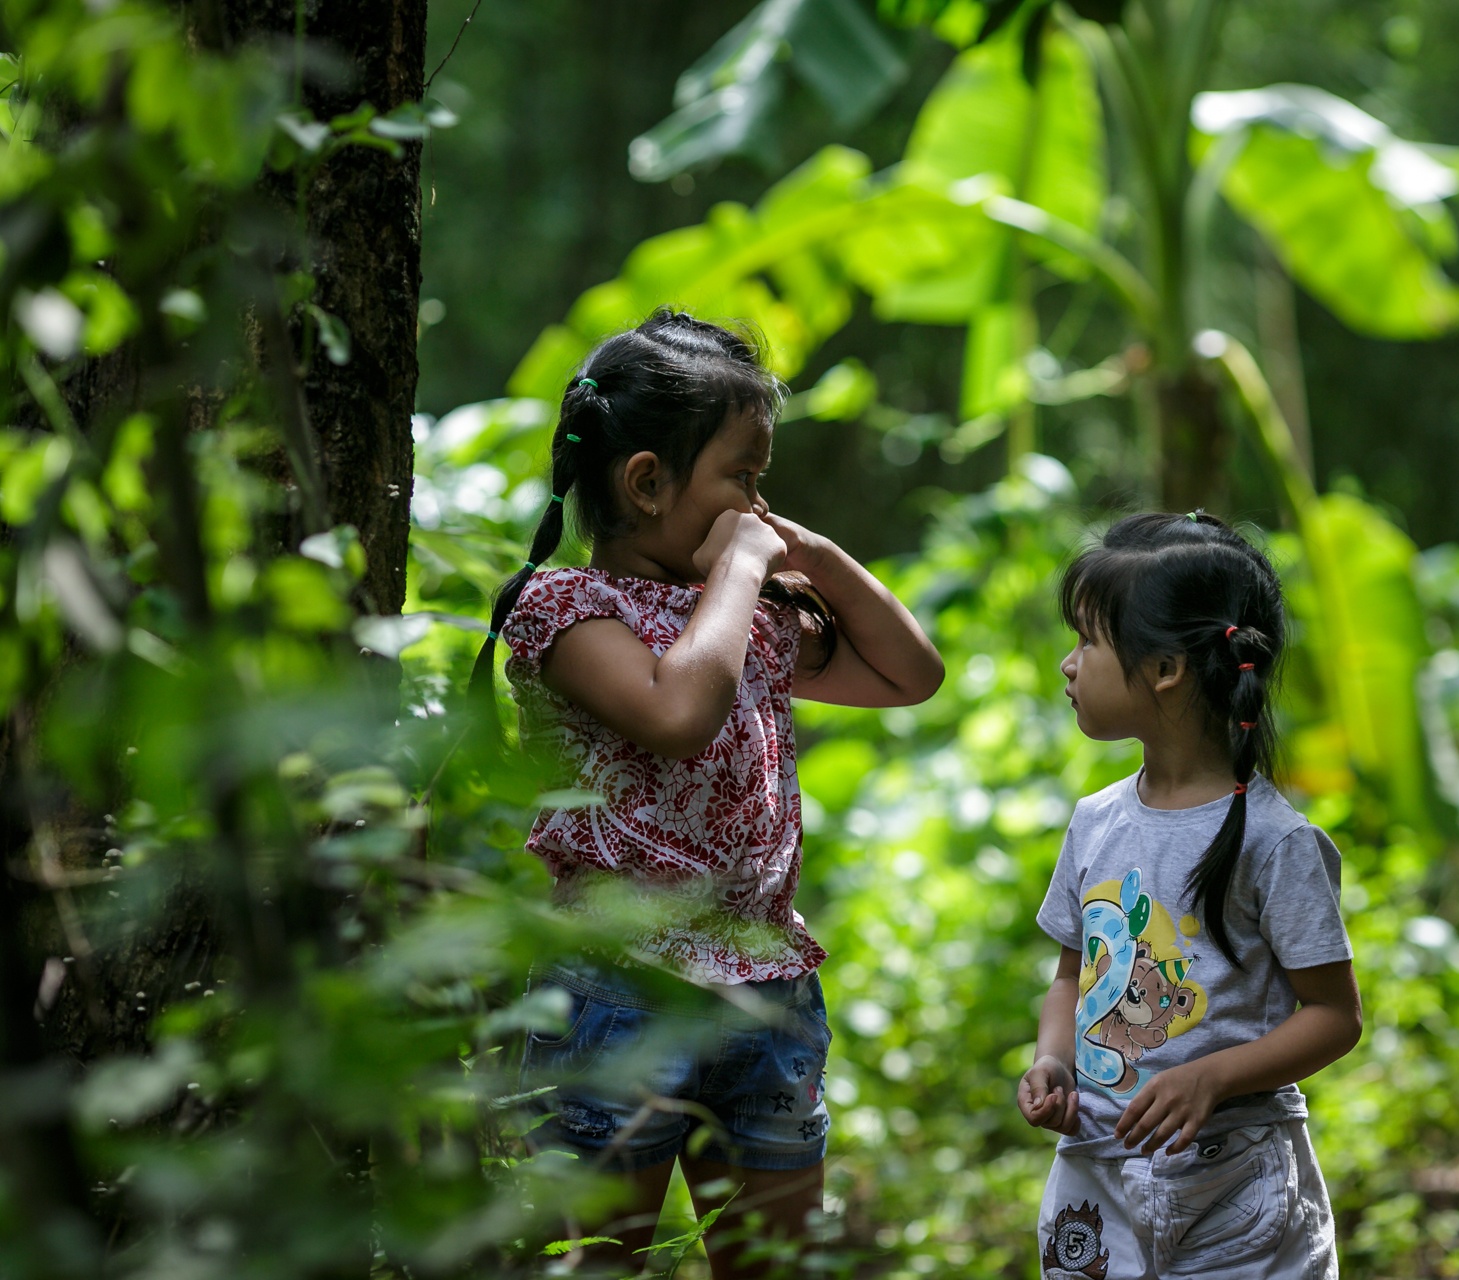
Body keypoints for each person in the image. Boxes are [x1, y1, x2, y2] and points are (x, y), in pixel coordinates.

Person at [470, 309, 943, 1278]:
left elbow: (910, 674)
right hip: (617, 988)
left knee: (770, 1263)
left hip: (768, 989)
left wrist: (806, 552)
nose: (755, 506)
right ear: (647, 481)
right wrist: (739, 567)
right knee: (595, 1258)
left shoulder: (750, 615)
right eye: (743, 477)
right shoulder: (565, 609)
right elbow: (678, 707)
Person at [1016, 511, 1363, 1280]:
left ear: (1167, 667)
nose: (1069, 665)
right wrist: (1053, 1063)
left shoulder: (1274, 842)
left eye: (1088, 643)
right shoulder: (1096, 821)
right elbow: (1072, 978)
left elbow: (1335, 1017)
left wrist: (1213, 1075)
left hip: (1234, 1190)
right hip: (1097, 1174)